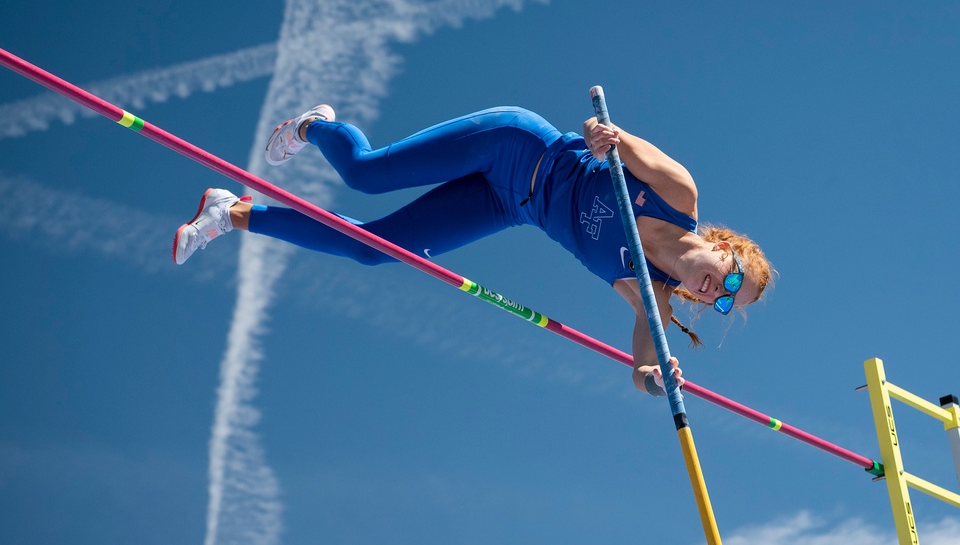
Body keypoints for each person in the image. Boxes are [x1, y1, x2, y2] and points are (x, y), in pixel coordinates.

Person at [173, 105, 773, 396]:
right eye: (729, 282)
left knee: (374, 250)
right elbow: (616, 143)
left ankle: (232, 213)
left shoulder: (653, 297)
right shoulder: (677, 194)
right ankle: (316, 126)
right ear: (725, 248)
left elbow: (642, 366)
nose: (714, 295)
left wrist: (656, 380)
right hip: (514, 148)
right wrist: (602, 137)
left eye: (725, 305)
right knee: (365, 174)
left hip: (510, 207)